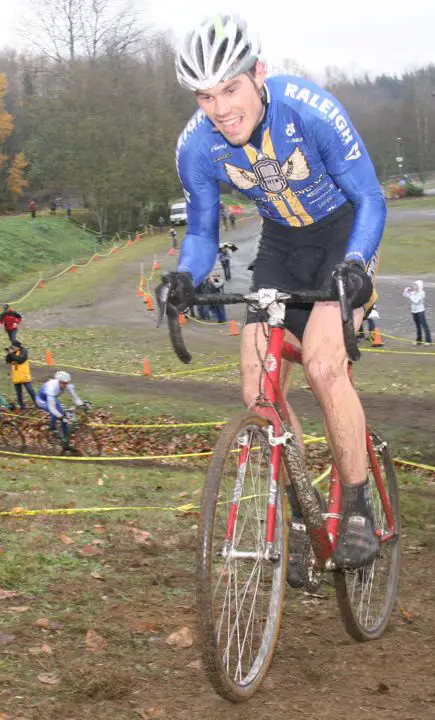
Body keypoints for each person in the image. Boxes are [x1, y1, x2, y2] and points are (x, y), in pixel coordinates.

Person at [162, 12, 386, 573]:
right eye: (205, 96)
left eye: (230, 88)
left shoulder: (308, 109)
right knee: (256, 384)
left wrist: (357, 265)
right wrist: (186, 275)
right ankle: (303, 504)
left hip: (342, 237)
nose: (220, 109)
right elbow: (201, 230)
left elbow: (371, 198)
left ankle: (358, 506)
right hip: (282, 248)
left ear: (258, 73)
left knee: (323, 365)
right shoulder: (197, 146)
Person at [35, 370, 88, 451]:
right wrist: (61, 416)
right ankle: (52, 429)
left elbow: (75, 397)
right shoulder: (51, 388)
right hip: (41, 400)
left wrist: (81, 405)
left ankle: (66, 442)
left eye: (66, 383)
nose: (65, 385)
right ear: (58, 382)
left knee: (64, 418)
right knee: (57, 414)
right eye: (63, 383)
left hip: (52, 398)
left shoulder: (68, 385)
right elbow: (52, 408)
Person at [6, 343, 36, 409]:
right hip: (16, 376)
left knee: (30, 391)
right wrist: (8, 354)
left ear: (18, 347)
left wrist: (11, 353)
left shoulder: (24, 352)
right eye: (12, 347)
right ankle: (22, 406)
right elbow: (7, 361)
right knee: (18, 393)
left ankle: (37, 404)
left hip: (24, 376)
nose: (12, 348)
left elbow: (20, 360)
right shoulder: (12, 353)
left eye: (13, 347)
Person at [403, 280, 431, 345]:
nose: (414, 287)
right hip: (414, 311)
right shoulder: (414, 292)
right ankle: (419, 340)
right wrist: (406, 290)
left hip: (420, 311)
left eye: (416, 285)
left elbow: (416, 301)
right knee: (417, 326)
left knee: (424, 325)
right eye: (414, 285)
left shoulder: (422, 293)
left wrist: (410, 295)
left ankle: (428, 340)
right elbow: (404, 295)